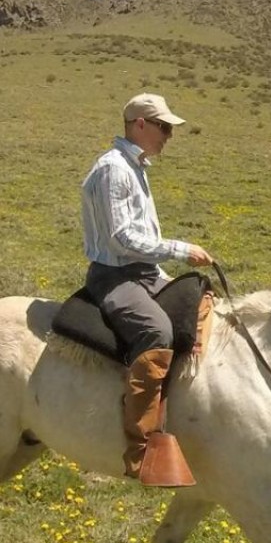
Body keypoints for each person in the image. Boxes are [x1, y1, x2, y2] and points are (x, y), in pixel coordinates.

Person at [81, 93, 213, 480]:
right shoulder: (114, 170)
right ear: (140, 124)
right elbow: (123, 239)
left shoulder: (134, 166)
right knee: (156, 331)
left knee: (200, 300)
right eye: (164, 126)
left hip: (145, 273)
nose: (169, 135)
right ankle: (140, 449)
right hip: (116, 276)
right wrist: (181, 249)